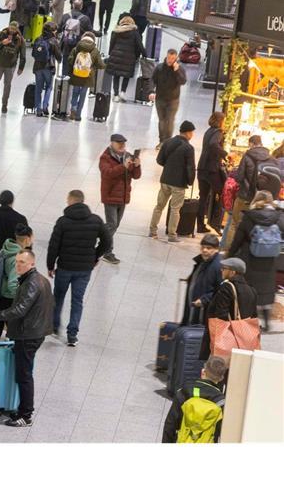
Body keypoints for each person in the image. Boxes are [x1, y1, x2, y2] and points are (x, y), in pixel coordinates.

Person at [0, 249, 54, 427]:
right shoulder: (40, 280)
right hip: (34, 332)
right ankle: (22, 409)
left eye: (22, 262)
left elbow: (20, 310)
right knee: (24, 373)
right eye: (16, 262)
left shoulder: (31, 283)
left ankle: (26, 415)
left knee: (24, 375)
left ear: (32, 263)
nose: (18, 265)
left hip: (28, 335)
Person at [47, 189, 113, 346]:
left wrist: (50, 265)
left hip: (64, 267)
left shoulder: (63, 221)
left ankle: (54, 326)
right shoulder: (96, 220)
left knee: (58, 296)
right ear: (83, 201)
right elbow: (107, 241)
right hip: (84, 269)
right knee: (77, 301)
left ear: (71, 200)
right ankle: (72, 334)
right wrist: (95, 256)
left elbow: (53, 245)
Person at [228, 190, 284, 328]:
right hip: (270, 260)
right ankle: (266, 321)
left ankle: (247, 320)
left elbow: (238, 239)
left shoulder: (250, 217)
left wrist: (230, 254)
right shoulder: (278, 217)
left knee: (249, 289)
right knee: (267, 289)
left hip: (250, 258)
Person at [200, 257, 258, 358]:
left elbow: (220, 314)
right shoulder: (252, 291)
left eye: (224, 268)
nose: (221, 270)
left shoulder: (227, 287)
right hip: (244, 341)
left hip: (226, 341)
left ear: (232, 272)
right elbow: (254, 316)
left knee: (216, 368)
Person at [161, 355, 227, 443]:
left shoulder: (185, 391)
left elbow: (170, 424)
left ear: (203, 371)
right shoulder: (221, 402)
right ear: (221, 378)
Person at [150, 121, 196, 243]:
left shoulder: (168, 142)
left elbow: (159, 160)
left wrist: (169, 167)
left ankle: (152, 230)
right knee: (175, 209)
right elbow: (190, 167)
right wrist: (190, 181)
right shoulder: (189, 148)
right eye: (192, 132)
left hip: (165, 180)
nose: (192, 135)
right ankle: (172, 235)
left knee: (159, 206)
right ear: (188, 133)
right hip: (179, 183)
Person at [98, 134, 141, 264]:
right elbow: (107, 174)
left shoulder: (127, 156)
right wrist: (123, 167)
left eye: (123, 143)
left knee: (114, 225)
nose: (122, 145)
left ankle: (99, 237)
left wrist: (137, 165)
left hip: (123, 197)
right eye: (119, 143)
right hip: (110, 196)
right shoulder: (105, 158)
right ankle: (106, 252)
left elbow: (136, 176)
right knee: (111, 224)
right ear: (112, 143)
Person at [196, 112, 228, 234]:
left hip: (202, 167)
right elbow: (213, 144)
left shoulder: (208, 131)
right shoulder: (218, 132)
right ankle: (215, 223)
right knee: (222, 193)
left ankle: (200, 225)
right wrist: (225, 154)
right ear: (220, 121)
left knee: (203, 197)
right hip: (212, 170)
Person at [0, 23, 26, 114]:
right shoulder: (1, 34)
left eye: (14, 28)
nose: (12, 30)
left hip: (10, 66)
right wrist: (2, 43)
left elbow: (23, 55)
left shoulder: (20, 39)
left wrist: (21, 67)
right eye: (11, 27)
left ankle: (4, 105)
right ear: (8, 26)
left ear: (17, 29)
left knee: (7, 86)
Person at [183, 235, 222, 326]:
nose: (204, 250)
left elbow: (220, 291)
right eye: (203, 247)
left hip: (203, 312)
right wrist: (192, 278)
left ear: (216, 249)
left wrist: (204, 300)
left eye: (209, 248)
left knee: (196, 335)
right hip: (194, 308)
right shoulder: (203, 260)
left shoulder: (218, 266)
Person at [151, 50, 187, 146]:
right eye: (169, 58)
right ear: (166, 57)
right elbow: (153, 80)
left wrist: (177, 71)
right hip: (160, 98)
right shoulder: (159, 68)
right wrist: (151, 91)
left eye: (173, 59)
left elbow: (183, 81)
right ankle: (162, 141)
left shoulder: (180, 69)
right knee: (162, 121)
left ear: (176, 58)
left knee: (170, 120)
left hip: (173, 100)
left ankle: (167, 142)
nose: (170, 60)